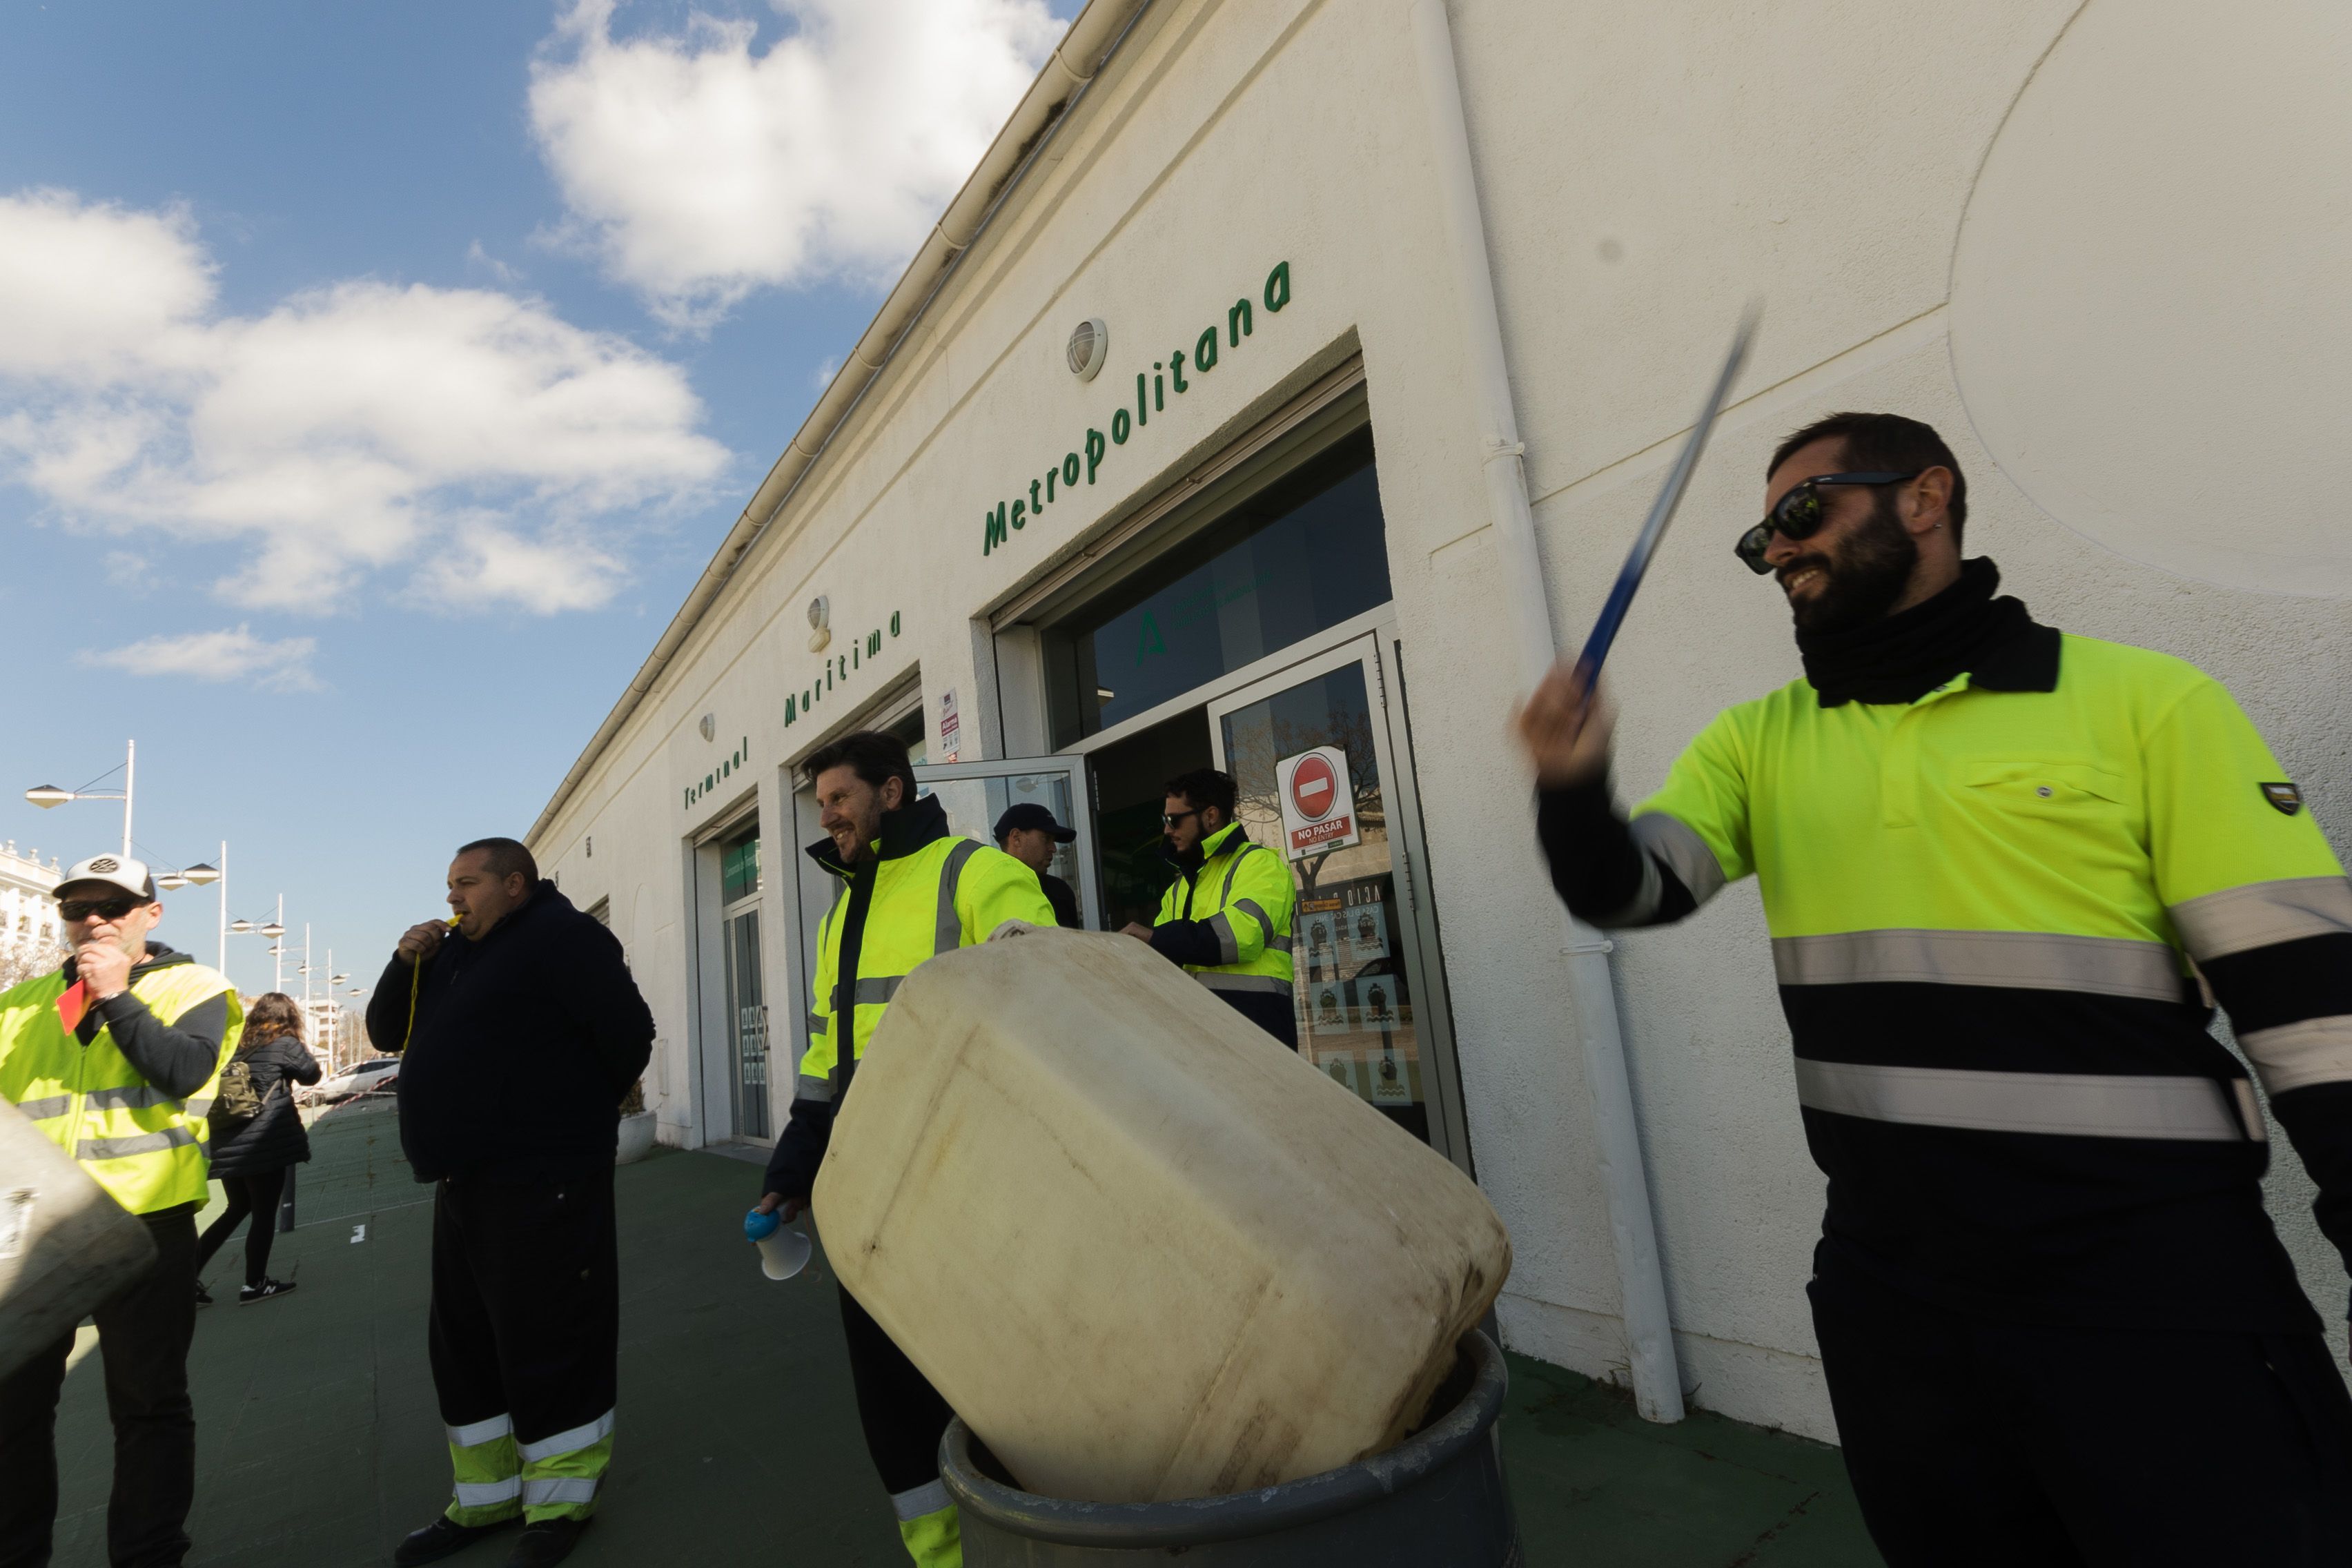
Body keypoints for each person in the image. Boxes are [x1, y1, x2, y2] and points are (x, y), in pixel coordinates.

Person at [1519, 411, 2352, 1564]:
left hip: (2156, 1294)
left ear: (1925, 497)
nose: (1782, 551)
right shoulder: (1753, 743)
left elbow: (2310, 1004)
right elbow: (1630, 892)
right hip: (1892, 1298)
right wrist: (1570, 786)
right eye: (1762, 540)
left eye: (1801, 513)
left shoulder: (2146, 702)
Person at [757, 732, 1053, 1568]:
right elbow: (825, 1059)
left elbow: (1043, 989)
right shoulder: (840, 912)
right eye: (821, 804)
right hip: (871, 1190)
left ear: (892, 791)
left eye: (840, 799)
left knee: (999, 1386)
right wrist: (790, 1168)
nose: (829, 816)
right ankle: (943, 1557)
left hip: (972, 1180)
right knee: (891, 1396)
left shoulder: (977, 871)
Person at [364, 838, 652, 1568]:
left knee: (550, 1336)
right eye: (449, 885)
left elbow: (628, 1036)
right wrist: (406, 962)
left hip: (545, 1178)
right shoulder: (453, 953)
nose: (453, 898)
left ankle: (560, 1502)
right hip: (465, 1184)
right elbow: (384, 1032)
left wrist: (566, 1121)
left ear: (516, 884)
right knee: (466, 1346)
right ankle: (487, 1497)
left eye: (468, 883)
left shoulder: (565, 937)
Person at [0, 854, 242, 1568]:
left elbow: (182, 1071)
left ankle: (147, 1552)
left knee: (146, 1405)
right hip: (34, 1230)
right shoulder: (21, 1003)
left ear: (151, 915)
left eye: (113, 903)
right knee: (12, 1412)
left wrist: (116, 997)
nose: (94, 917)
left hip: (147, 1224)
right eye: (78, 907)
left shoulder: (197, 986)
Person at [1119, 767, 1297, 1048]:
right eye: (1164, 819)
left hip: (1258, 1033)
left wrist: (1156, 938)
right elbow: (1159, 961)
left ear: (1211, 816)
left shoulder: (1259, 864)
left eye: (1173, 819)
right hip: (1198, 1036)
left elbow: (1241, 937)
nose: (1166, 829)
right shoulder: (1178, 889)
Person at [193, 992, 320, 1305]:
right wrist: (296, 1045)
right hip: (265, 1143)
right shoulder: (285, 1044)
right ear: (288, 1017)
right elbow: (312, 1075)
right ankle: (255, 1284)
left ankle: (186, 1279)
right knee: (263, 1214)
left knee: (236, 1208)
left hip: (227, 1143)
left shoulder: (237, 1047)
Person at [993, 802, 1082, 929]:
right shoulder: (990, 892)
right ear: (1016, 838)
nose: (1054, 849)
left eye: (1054, 841)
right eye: (1046, 838)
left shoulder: (1060, 892)